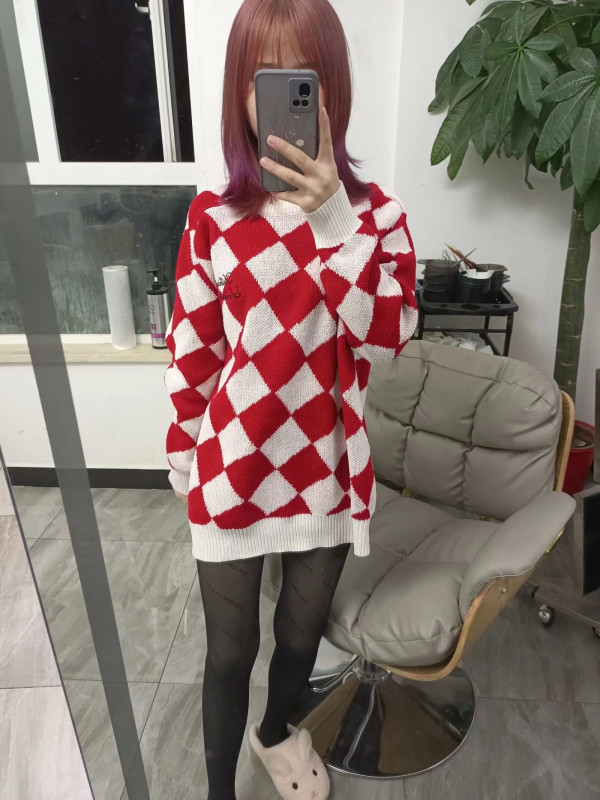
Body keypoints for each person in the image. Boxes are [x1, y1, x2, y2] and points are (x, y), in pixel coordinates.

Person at [163, 1, 419, 798]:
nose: (278, 99)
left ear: (331, 86)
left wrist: (335, 220)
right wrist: (182, 455)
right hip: (232, 468)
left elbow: (387, 337)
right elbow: (193, 351)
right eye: (260, 79)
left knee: (299, 638)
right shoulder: (212, 220)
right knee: (228, 653)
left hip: (324, 472)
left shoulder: (378, 219)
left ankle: (275, 734)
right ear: (239, 92)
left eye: (300, 78)